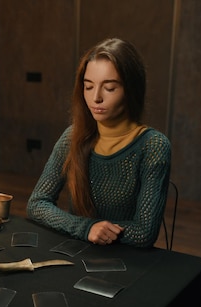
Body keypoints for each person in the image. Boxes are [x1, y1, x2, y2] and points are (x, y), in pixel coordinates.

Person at [27, 38, 171, 248]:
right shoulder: (72, 137)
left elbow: (143, 232)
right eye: (88, 86)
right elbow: (37, 204)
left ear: (131, 89)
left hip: (128, 262)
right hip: (77, 250)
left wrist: (95, 230)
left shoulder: (153, 146)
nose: (96, 98)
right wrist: (86, 228)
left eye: (110, 88)